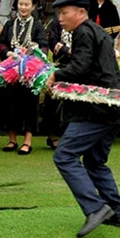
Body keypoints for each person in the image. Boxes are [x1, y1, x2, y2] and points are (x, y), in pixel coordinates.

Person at [45, 0, 120, 237]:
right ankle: (119, 213)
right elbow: (86, 65)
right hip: (111, 109)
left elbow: (80, 67)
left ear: (81, 12)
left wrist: (55, 75)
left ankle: (95, 208)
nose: (60, 18)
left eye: (64, 12)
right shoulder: (94, 31)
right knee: (94, 162)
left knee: (64, 155)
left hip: (97, 111)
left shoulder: (83, 32)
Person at [0, 0, 48, 154]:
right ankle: (12, 139)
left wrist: (31, 51)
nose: (23, 8)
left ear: (33, 7)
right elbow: (0, 42)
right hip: (11, 71)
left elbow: (44, 45)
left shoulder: (37, 26)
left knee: (29, 105)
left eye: (26, 5)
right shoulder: (10, 24)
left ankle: (27, 141)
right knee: (10, 104)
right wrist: (8, 52)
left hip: (28, 73)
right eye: (20, 4)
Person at [42, 16, 73, 150]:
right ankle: (53, 135)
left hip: (78, 67)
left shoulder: (82, 24)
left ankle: (70, 137)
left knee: (73, 103)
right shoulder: (57, 22)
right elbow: (53, 41)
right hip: (60, 65)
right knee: (54, 102)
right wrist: (68, 50)